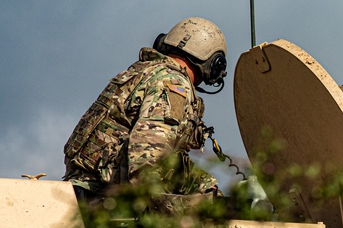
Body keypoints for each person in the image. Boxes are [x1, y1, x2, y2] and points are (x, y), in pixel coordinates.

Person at [63, 17, 227, 199]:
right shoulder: (173, 83)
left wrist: (203, 185)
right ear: (213, 65)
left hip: (82, 189)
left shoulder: (143, 71)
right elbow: (147, 155)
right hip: (103, 198)